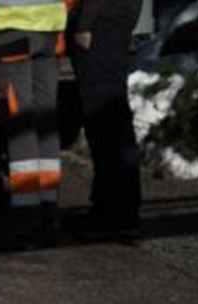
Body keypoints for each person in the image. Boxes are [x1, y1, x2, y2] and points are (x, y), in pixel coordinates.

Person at [0, 0, 75, 248]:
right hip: (49, 31)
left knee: (20, 124)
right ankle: (47, 211)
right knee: (45, 120)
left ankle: (25, 217)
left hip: (11, 31)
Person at [65, 0, 142, 240]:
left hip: (101, 26)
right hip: (115, 22)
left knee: (104, 120)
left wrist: (84, 23)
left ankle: (112, 211)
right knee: (114, 118)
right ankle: (117, 207)